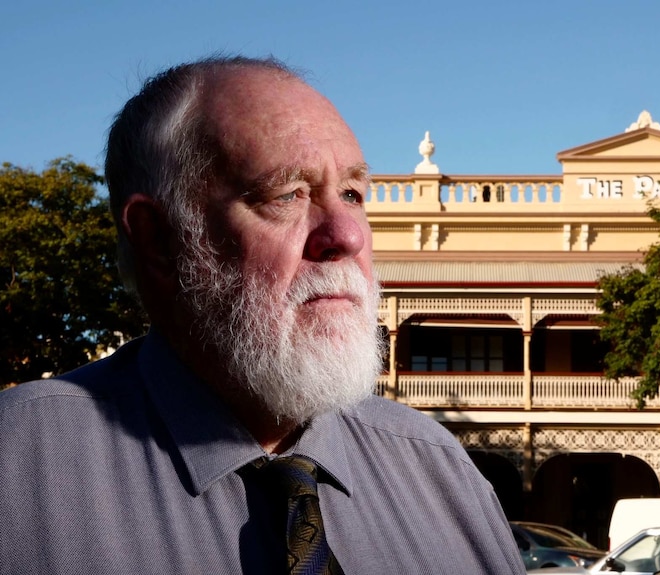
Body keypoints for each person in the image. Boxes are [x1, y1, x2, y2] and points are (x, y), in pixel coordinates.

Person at [0, 56, 525, 575]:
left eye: (352, 194)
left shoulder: (440, 473)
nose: (348, 236)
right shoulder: (19, 467)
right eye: (287, 195)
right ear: (160, 239)